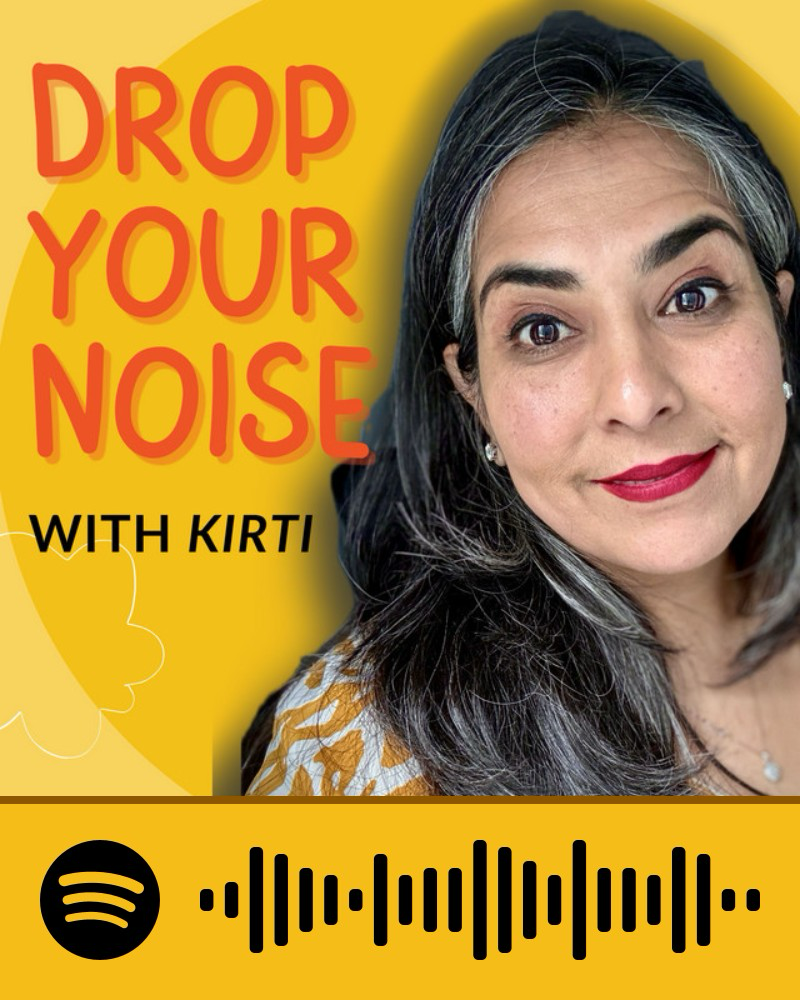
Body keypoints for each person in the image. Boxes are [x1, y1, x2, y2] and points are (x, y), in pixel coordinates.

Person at [242, 11, 800, 797]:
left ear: (777, 313)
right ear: (471, 390)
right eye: (543, 328)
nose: (639, 398)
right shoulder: (355, 762)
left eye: (692, 295)